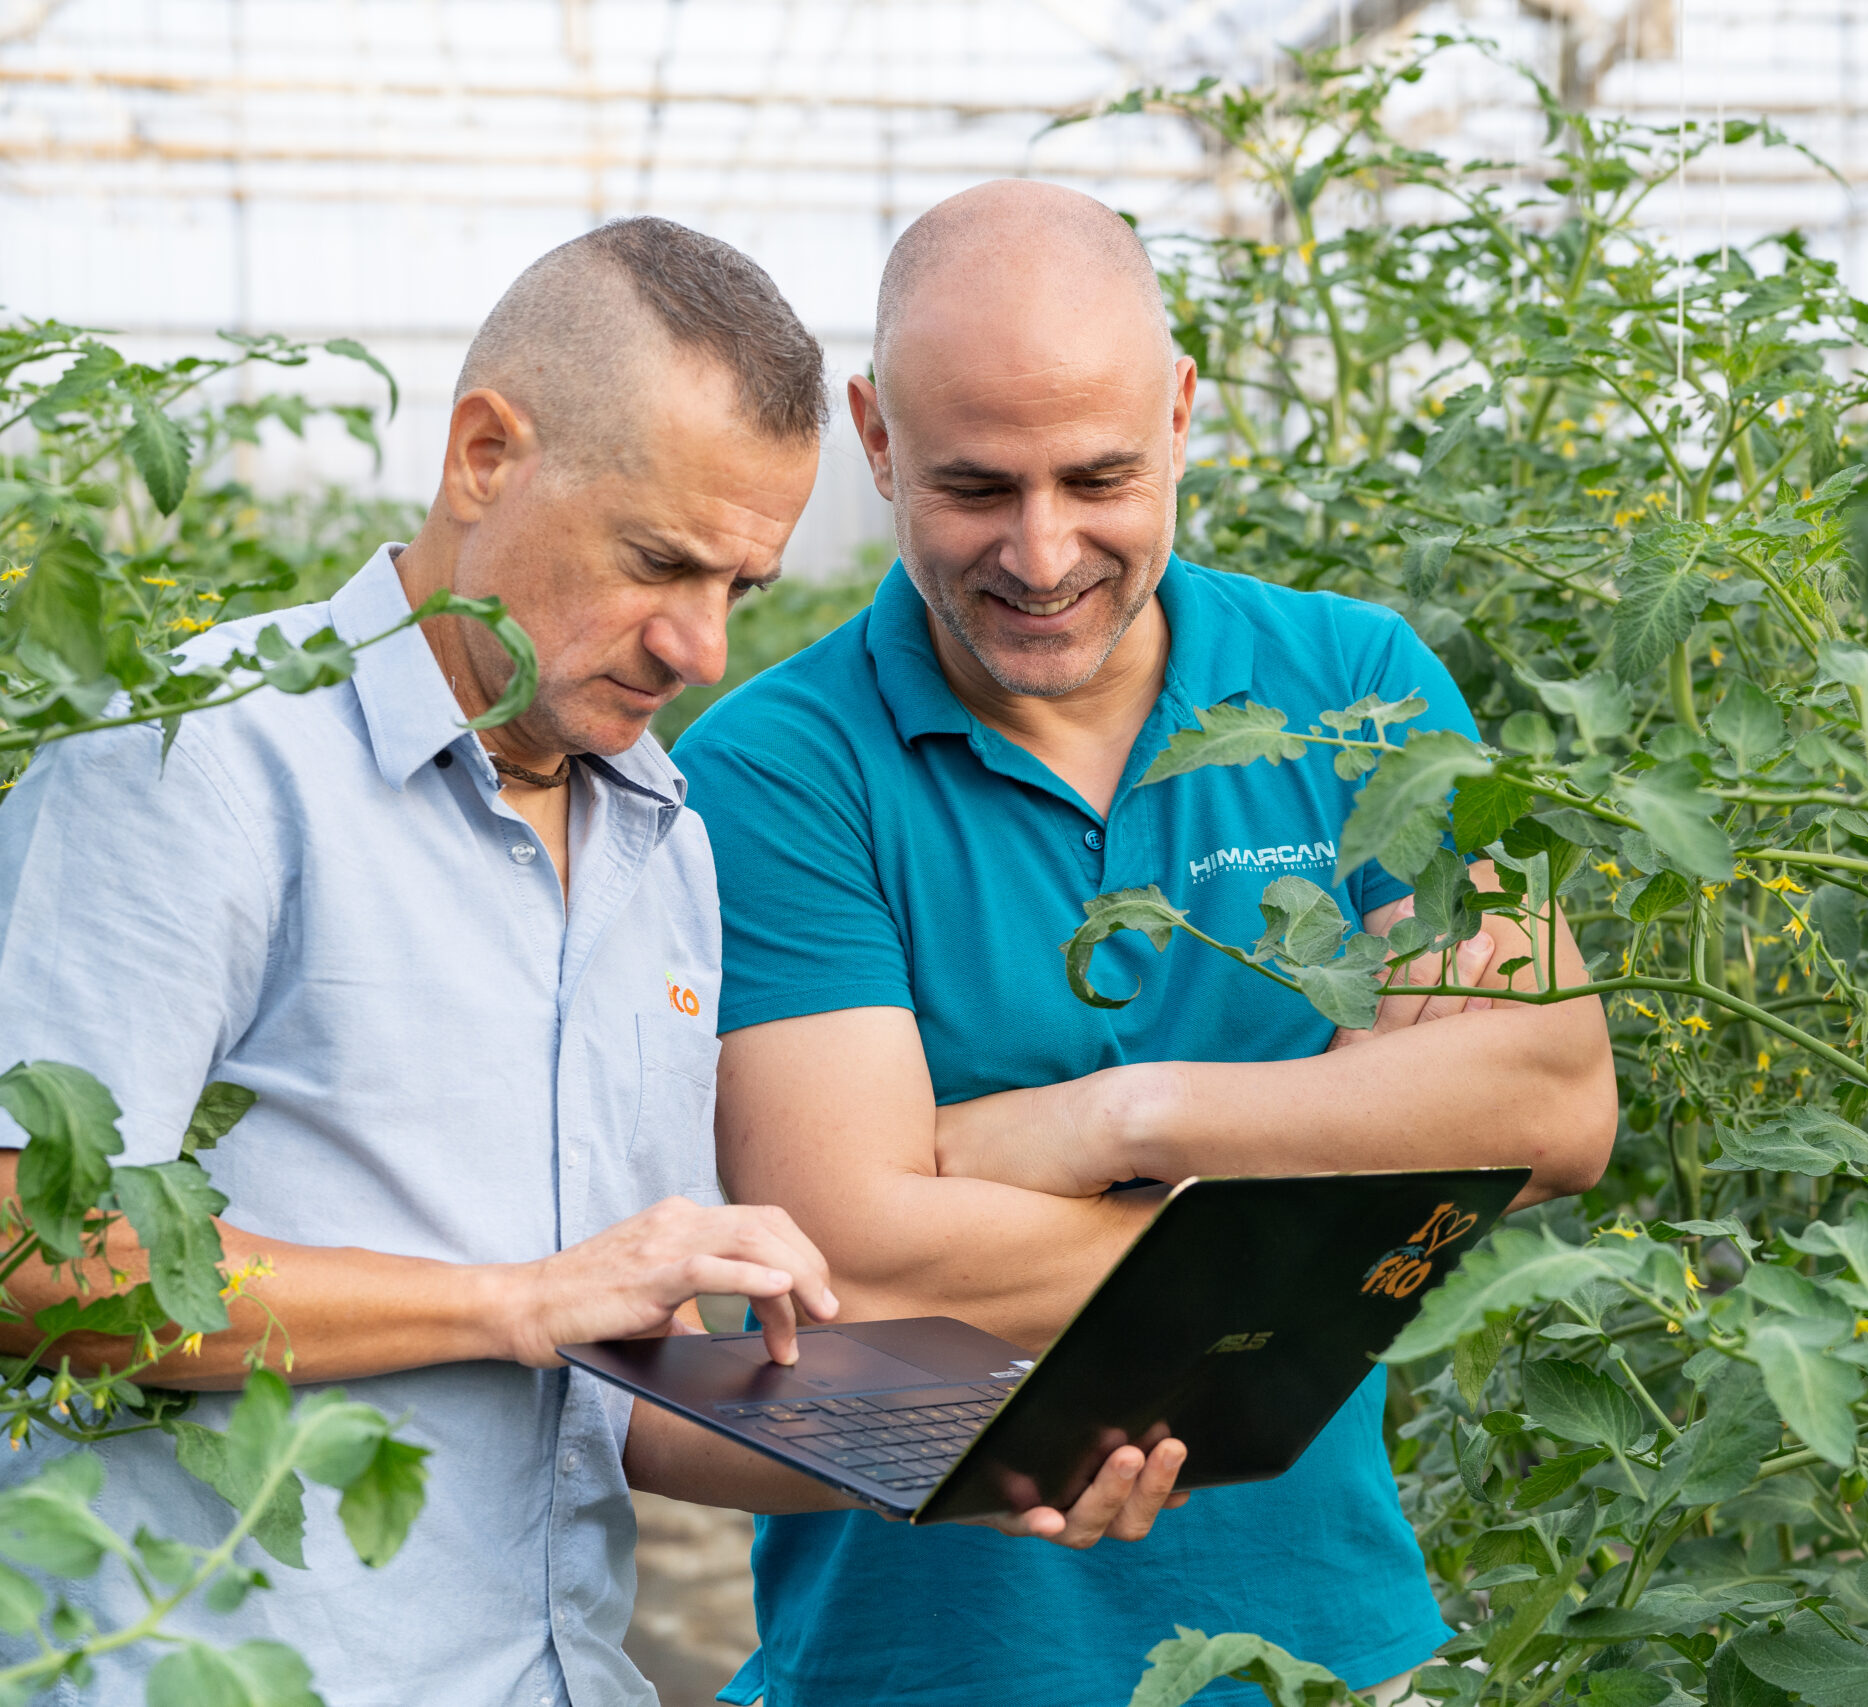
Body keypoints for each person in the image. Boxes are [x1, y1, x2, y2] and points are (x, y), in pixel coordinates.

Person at [0, 217, 1180, 1707]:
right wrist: (515, 1299)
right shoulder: (206, 768)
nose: (701, 649)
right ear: (485, 456)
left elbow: (628, 1386)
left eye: (740, 590)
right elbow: (31, 1255)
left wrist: (974, 1444)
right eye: (660, 564)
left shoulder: (660, 844)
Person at [677, 180, 1619, 1707]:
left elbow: (1554, 1102)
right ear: (874, 438)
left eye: (1098, 477)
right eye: (977, 489)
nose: (1043, 555)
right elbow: (854, 1247)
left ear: (1180, 414)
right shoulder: (778, 773)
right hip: (920, 1667)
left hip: (1326, 1649)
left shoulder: (1353, 687)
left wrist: (1117, 1122)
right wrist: (1328, 1234)